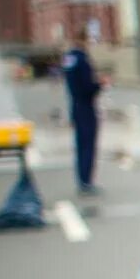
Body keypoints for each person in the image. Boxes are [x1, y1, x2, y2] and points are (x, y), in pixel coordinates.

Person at [62, 30, 102, 195]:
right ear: (84, 40)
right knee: (88, 145)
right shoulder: (83, 60)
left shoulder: (68, 58)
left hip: (75, 105)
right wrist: (99, 85)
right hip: (86, 107)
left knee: (80, 145)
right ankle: (86, 181)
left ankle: (82, 179)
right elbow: (88, 87)